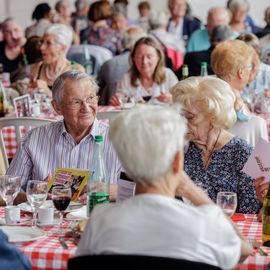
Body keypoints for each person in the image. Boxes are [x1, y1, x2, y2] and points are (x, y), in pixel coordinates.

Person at [75, 105, 252, 268]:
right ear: (176, 161)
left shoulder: (99, 221)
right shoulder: (206, 223)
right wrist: (194, 192)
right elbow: (245, 251)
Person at [7, 70, 122, 203]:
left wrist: (109, 190)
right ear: (57, 107)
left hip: (98, 219)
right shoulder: (33, 139)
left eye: (90, 98)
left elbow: (141, 192)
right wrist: (34, 194)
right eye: (76, 102)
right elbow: (7, 192)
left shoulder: (119, 141)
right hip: (47, 220)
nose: (86, 107)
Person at [171, 76, 260, 214]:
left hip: (228, 231)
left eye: (189, 117)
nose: (181, 122)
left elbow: (250, 210)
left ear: (213, 117)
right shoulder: (180, 148)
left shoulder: (242, 152)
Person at [211, 39, 268, 147]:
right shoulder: (246, 116)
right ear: (240, 72)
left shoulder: (207, 92)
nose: (251, 70)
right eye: (250, 66)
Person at [110, 36, 178, 106]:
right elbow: (120, 100)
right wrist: (117, 100)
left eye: (149, 56)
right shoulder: (127, 78)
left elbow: (182, 101)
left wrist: (172, 99)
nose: (144, 61)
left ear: (158, 57)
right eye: (139, 57)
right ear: (133, 58)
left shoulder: (168, 75)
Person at [30, 24, 84, 98]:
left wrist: (47, 91)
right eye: (42, 42)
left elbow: (76, 102)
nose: (42, 47)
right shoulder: (38, 67)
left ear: (63, 48)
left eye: (48, 43)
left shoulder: (76, 71)